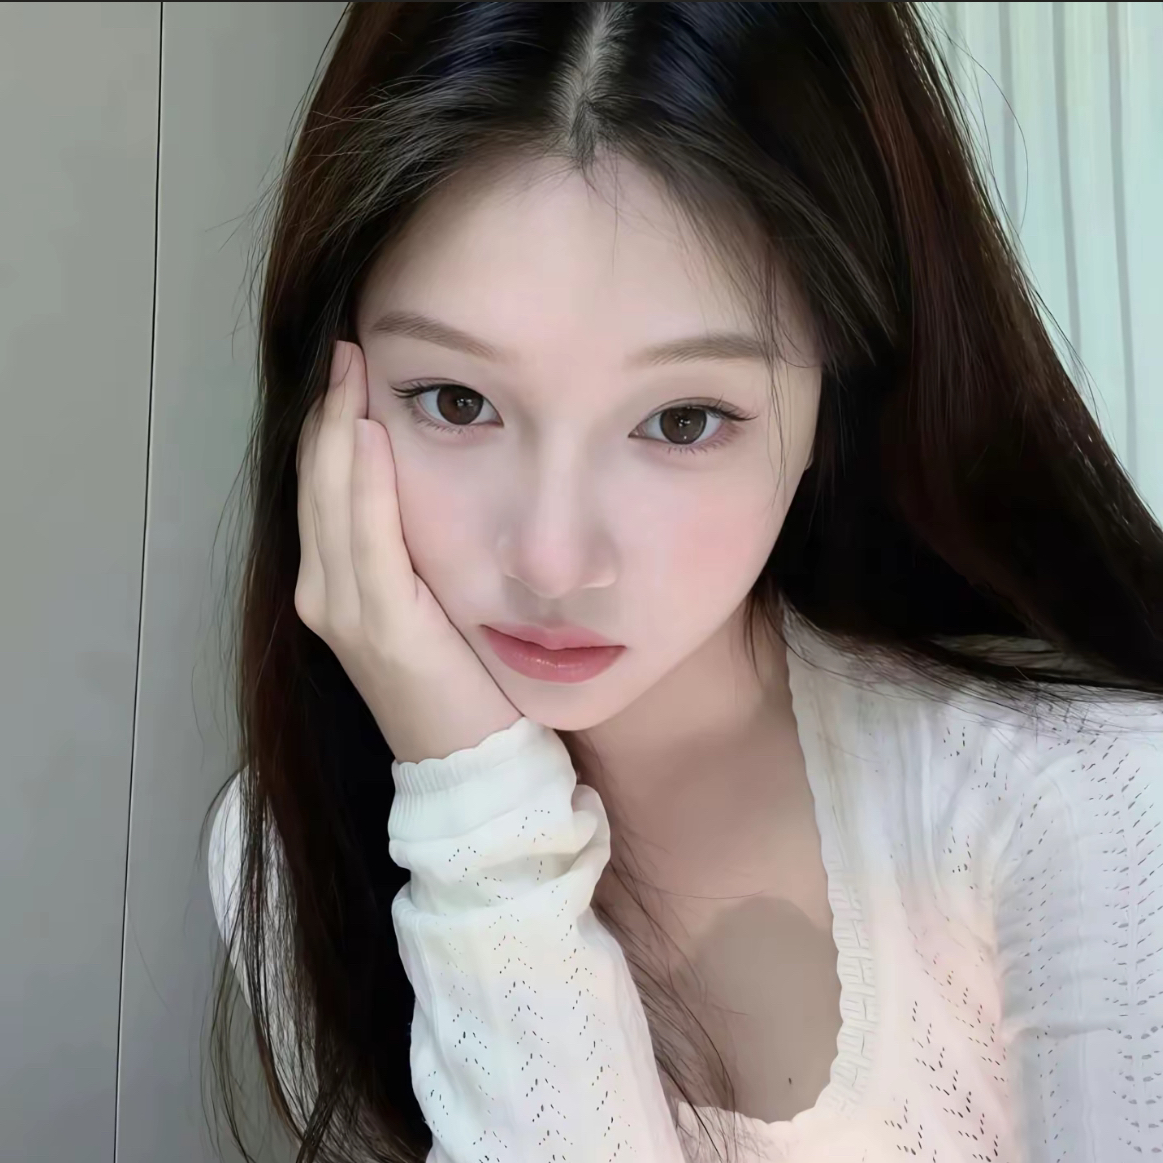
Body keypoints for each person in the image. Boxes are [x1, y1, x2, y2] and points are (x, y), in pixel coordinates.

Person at [204, 4, 1163, 1162]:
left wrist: (477, 836)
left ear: (833, 402)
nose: (552, 558)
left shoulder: (1094, 804)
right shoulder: (294, 848)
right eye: (455, 400)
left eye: (681, 419)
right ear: (332, 389)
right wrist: (470, 811)